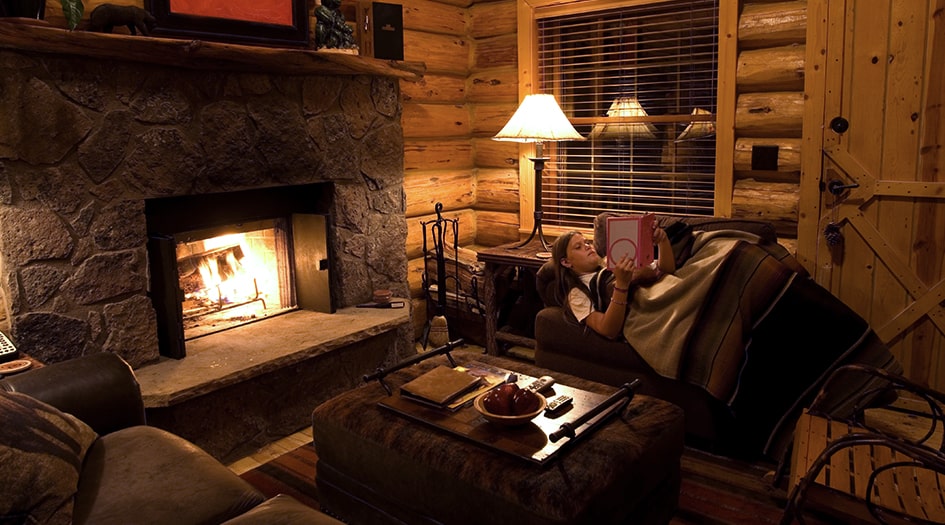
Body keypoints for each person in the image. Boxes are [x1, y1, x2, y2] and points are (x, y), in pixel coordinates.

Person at [550, 222, 675, 340]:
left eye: (587, 242)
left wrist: (662, 241)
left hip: (664, 291)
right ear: (566, 262)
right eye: (578, 247)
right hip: (651, 312)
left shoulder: (612, 262)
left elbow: (666, 270)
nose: (587, 246)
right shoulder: (576, 294)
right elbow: (607, 330)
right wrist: (622, 284)